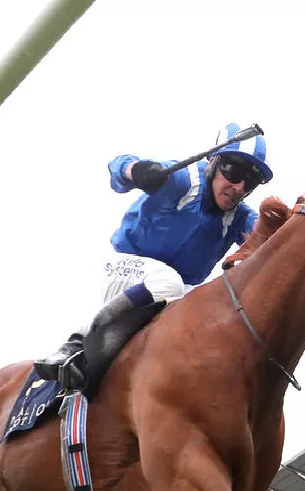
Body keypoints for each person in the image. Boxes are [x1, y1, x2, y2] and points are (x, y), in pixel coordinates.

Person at [34, 124, 273, 392]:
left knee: (215, 310)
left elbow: (270, 239)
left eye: (249, 182)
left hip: (175, 293)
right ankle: (77, 344)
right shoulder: (182, 180)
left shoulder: (240, 217)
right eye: (234, 171)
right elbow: (118, 166)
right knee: (168, 281)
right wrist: (136, 171)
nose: (239, 187)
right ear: (213, 162)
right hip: (123, 269)